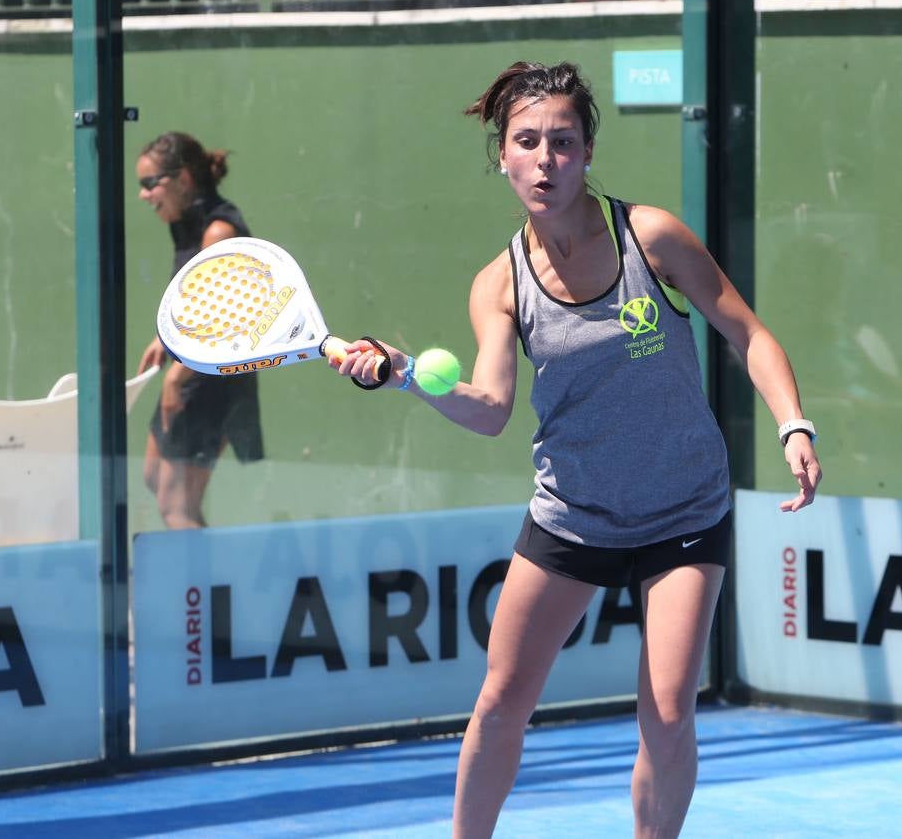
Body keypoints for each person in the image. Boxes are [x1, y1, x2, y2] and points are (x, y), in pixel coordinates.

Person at [329, 61, 822, 839]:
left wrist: (794, 422)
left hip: (683, 510)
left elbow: (748, 333)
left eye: (563, 142)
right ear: (503, 156)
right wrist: (400, 377)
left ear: (589, 151)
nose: (546, 160)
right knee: (500, 701)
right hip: (573, 515)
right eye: (527, 142)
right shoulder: (500, 282)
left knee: (666, 712)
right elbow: (490, 410)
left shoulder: (650, 236)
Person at [135, 131, 265, 529]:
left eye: (149, 183)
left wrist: (178, 375)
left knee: (176, 507)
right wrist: (165, 337)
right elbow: (200, 299)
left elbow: (235, 322)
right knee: (153, 479)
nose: (143, 194)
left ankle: (203, 589)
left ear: (184, 180)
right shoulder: (185, 224)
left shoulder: (218, 233)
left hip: (214, 382)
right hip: (191, 374)